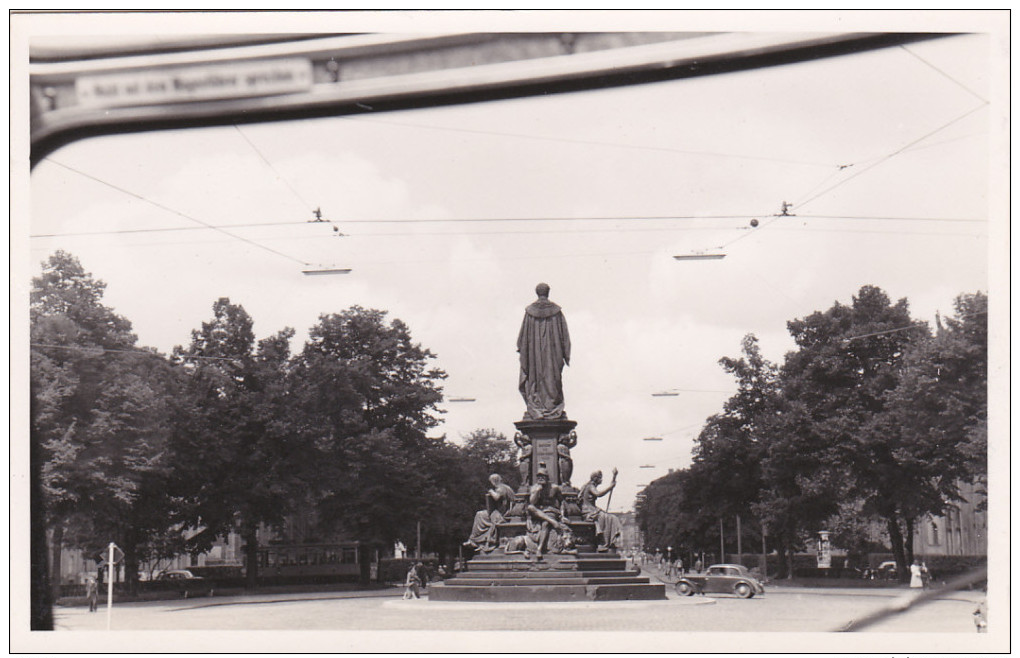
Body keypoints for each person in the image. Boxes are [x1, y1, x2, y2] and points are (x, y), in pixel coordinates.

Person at [517, 283, 571, 420]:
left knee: (535, 378)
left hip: (534, 358)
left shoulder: (529, 313)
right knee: (552, 378)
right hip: (553, 355)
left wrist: (525, 351)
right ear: (548, 292)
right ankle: (552, 406)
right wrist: (565, 354)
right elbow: (565, 337)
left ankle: (537, 406)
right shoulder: (557, 312)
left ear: (537, 293)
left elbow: (522, 339)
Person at [463, 473, 517, 552]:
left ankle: (475, 540)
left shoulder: (501, 488)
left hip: (502, 515)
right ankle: (474, 540)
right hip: (501, 512)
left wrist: (491, 491)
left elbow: (496, 497)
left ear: (494, 481)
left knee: (480, 515)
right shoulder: (506, 487)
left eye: (491, 481)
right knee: (480, 514)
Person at [526, 467, 570, 559]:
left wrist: (562, 515)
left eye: (542, 476)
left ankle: (539, 548)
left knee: (545, 524)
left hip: (550, 511)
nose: (540, 478)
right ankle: (552, 522)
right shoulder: (534, 488)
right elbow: (532, 502)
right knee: (530, 507)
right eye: (538, 477)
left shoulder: (554, 488)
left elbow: (562, 502)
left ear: (547, 477)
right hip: (539, 512)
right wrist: (537, 491)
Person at [578, 469, 622, 551]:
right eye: (600, 478)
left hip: (593, 509)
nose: (601, 480)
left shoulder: (590, 486)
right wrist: (610, 487)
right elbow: (598, 494)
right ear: (595, 478)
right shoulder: (590, 486)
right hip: (588, 511)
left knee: (612, 518)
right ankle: (602, 543)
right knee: (603, 517)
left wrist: (612, 483)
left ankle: (609, 542)